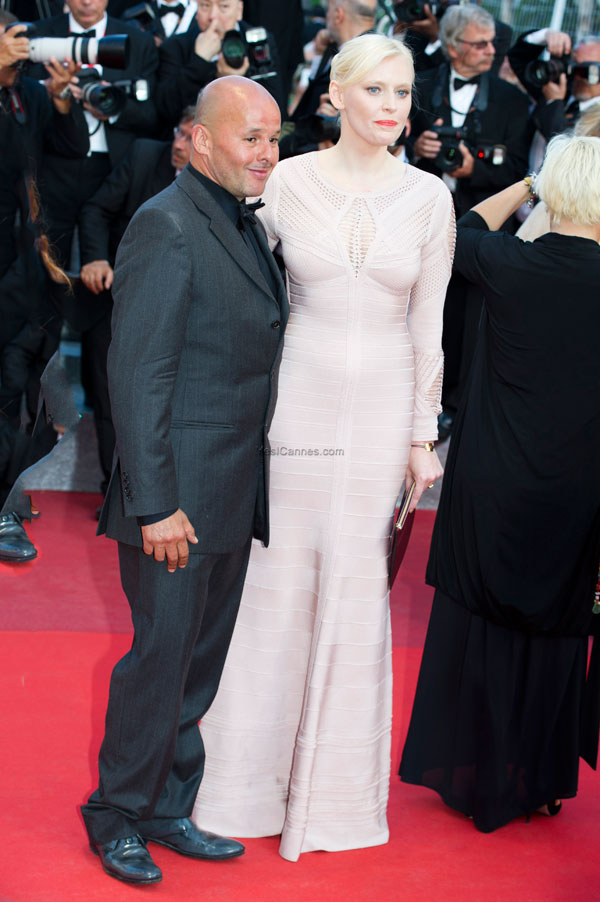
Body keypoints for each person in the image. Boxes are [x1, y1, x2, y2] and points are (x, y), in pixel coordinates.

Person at [192, 32, 454, 862]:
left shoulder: (430, 199)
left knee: (354, 590)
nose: (391, 106)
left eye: (402, 92)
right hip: (293, 408)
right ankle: (239, 789)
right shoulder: (289, 180)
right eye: (375, 89)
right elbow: (240, 288)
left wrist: (422, 436)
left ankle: (332, 802)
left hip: (383, 416)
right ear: (335, 95)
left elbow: (429, 327)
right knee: (272, 586)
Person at [81, 75, 287, 885]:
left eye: (273, 138)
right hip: (177, 503)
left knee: (197, 664)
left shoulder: (241, 221)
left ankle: (168, 806)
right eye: (250, 137)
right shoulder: (165, 224)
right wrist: (156, 503)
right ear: (199, 140)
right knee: (160, 662)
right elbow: (138, 377)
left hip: (229, 488)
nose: (266, 153)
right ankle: (117, 814)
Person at [400, 134, 600, 832]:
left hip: (494, 477)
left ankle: (470, 773)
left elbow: (459, 229)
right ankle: (540, 780)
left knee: (479, 624)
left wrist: (527, 183)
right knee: (558, 631)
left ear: (555, 192)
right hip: (579, 487)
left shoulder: (509, 262)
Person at [156, 0, 285, 129]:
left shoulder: (259, 42)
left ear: (239, 10)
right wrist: (199, 62)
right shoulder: (176, 46)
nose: (213, 16)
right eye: (205, 6)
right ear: (196, 10)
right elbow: (166, 111)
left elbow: (276, 109)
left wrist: (237, 83)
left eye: (224, 6)